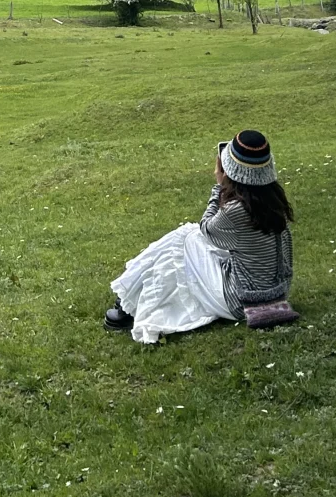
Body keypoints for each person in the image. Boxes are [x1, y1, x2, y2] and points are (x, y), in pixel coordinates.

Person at [104, 130, 294, 344]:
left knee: (184, 237)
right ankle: (127, 298)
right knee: (189, 239)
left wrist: (219, 187)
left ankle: (125, 303)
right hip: (277, 293)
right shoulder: (274, 200)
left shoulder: (236, 210)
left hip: (243, 301)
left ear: (230, 171)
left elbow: (206, 229)